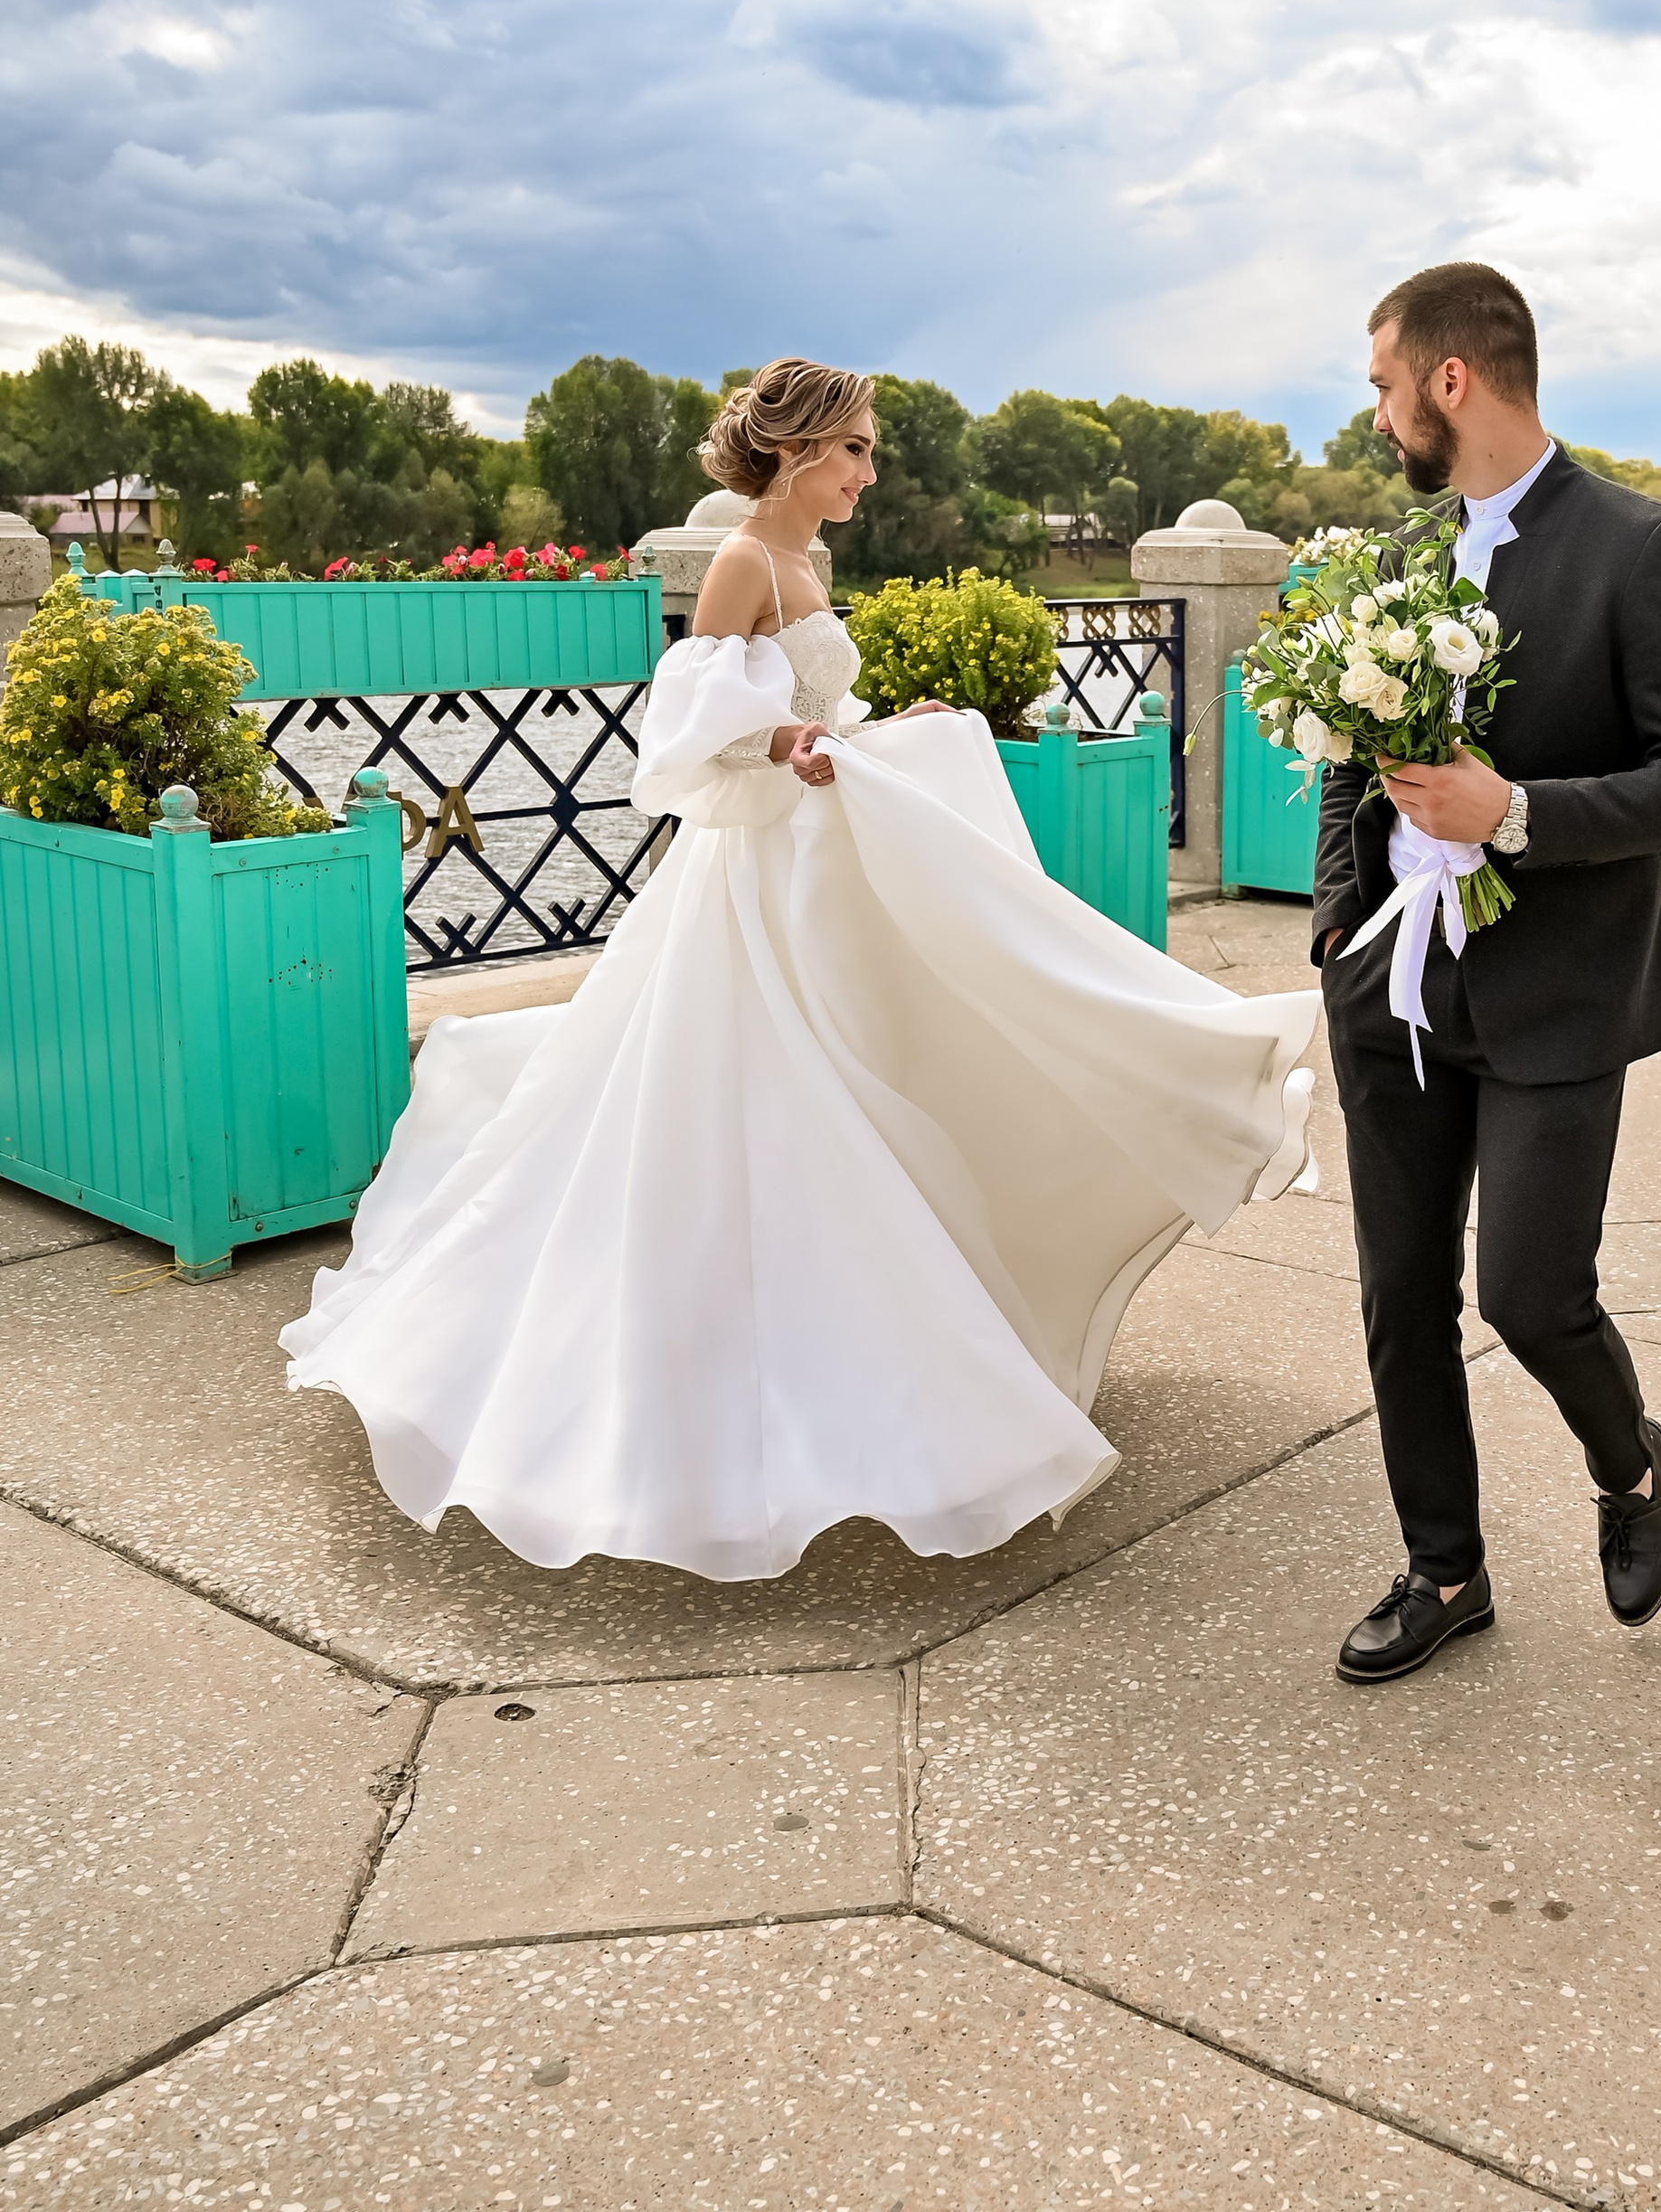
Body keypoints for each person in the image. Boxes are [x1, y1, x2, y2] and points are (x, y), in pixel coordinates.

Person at [283, 358, 1319, 1583]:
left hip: (819, 872)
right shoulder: (740, 565)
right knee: (753, 1129)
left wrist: (896, 729)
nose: (869, 474)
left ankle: (872, 1375)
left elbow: (820, 726)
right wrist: (776, 738)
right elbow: (675, 755)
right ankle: (704, 1415)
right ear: (794, 452)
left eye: (871, 451)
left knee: (881, 1095)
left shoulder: (810, 568)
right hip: (751, 892)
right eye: (856, 451)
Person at [1315, 263, 1661, 1685]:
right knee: (1399, 1300)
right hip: (1397, 995)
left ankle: (1629, 1468)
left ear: (1452, 380)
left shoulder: (1642, 545)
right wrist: (1338, 936)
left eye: (1384, 383)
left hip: (1561, 993)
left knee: (1530, 1295)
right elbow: (1346, 773)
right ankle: (1445, 1571)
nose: (1374, 414)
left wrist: (1517, 814)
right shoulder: (1394, 562)